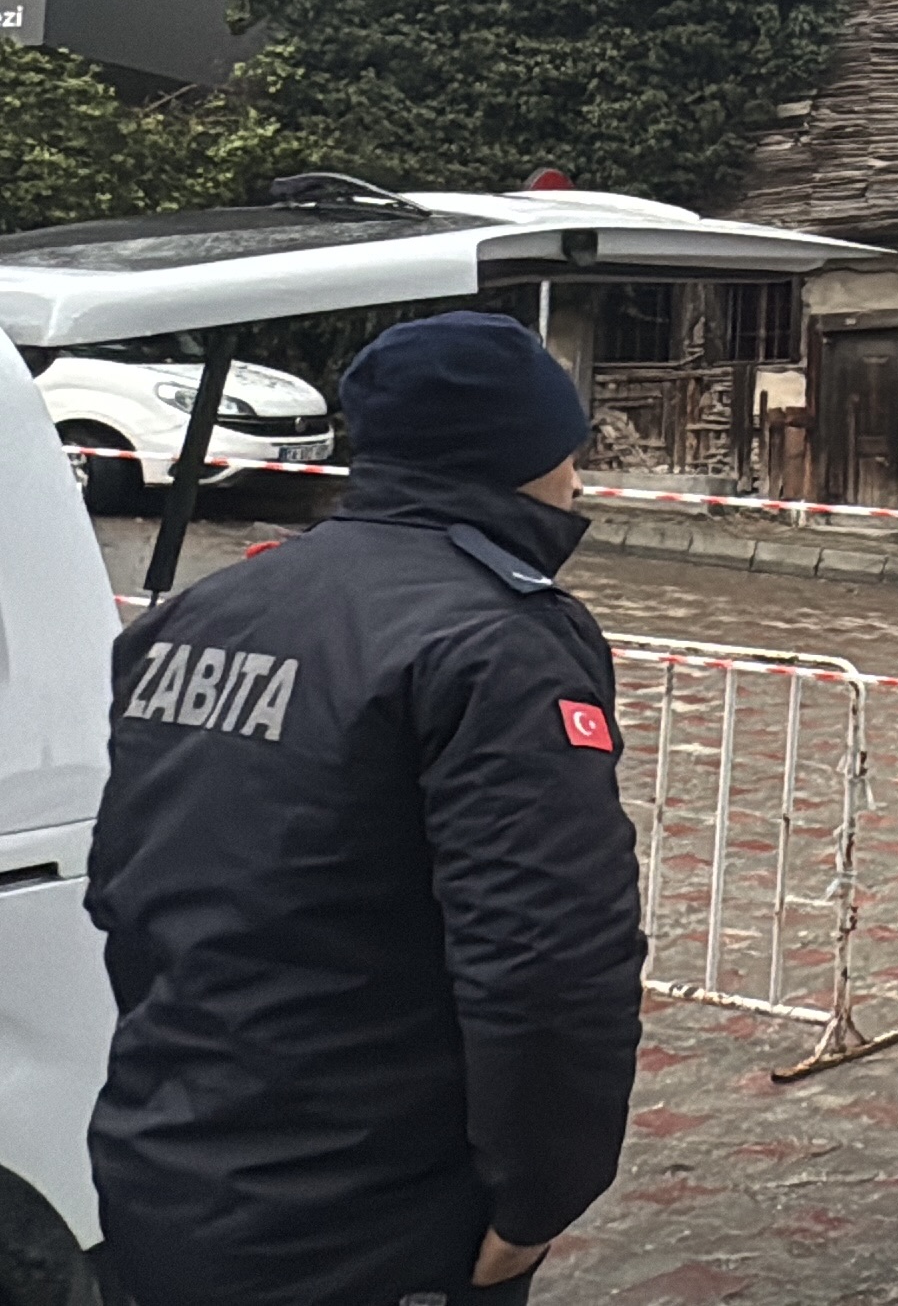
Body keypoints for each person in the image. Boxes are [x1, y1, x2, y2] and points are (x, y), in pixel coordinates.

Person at [84, 310, 641, 1306]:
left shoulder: (199, 615)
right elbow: (548, 961)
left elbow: (129, 892)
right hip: (371, 1210)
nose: (577, 479)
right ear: (519, 453)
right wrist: (540, 1197)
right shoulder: (493, 646)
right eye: (569, 449)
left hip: (171, 1159)